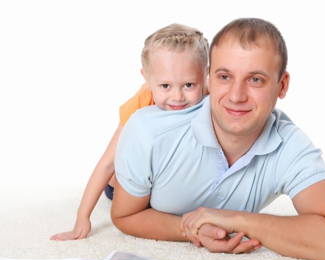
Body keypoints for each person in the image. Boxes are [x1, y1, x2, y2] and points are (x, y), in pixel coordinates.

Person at [111, 18, 325, 260]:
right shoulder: (148, 130)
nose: (237, 96)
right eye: (224, 77)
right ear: (208, 78)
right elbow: (126, 214)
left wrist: (235, 220)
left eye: (255, 80)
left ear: (282, 85)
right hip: (122, 179)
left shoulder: (289, 144)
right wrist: (188, 229)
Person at [50, 24, 210, 241]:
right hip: (127, 187)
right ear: (146, 77)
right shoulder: (142, 103)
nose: (177, 96)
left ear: (206, 75)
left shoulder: (212, 97)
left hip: (170, 177)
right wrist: (82, 218)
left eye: (189, 84)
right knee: (123, 173)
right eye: (165, 86)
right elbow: (108, 162)